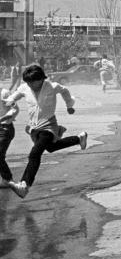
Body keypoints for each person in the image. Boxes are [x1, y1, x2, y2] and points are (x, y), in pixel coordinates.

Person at [4, 64, 87, 199]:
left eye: (33, 82)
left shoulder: (52, 86)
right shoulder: (25, 87)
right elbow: (13, 97)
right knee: (51, 148)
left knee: (35, 153)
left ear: (41, 79)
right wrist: (9, 102)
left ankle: (24, 185)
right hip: (33, 128)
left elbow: (65, 91)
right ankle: (79, 138)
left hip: (48, 125)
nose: (30, 85)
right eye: (28, 82)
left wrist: (69, 105)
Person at [0, 88, 19, 189]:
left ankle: (7, 179)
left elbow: (15, 109)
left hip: (4, 129)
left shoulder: (4, 93)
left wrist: (2, 118)